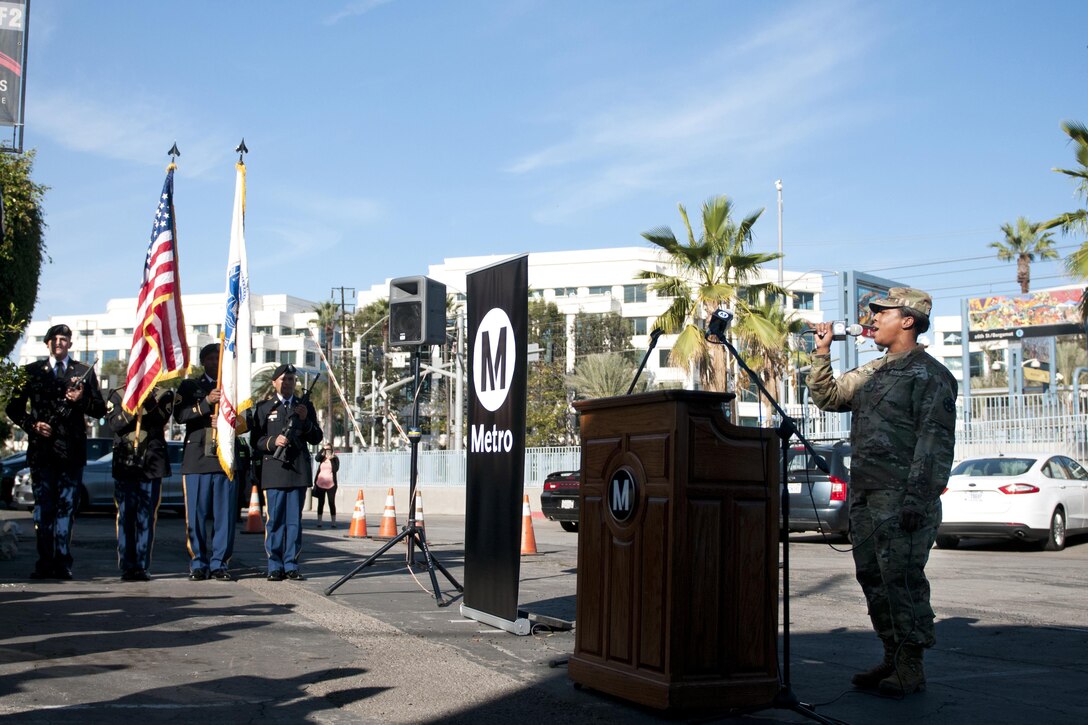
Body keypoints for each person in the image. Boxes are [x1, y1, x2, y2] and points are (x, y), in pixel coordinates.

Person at [806, 287, 957, 696]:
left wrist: (917, 499)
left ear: (907, 320)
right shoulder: (874, 371)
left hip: (902, 497)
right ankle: (891, 655)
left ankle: (911, 664)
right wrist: (821, 353)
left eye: (881, 314)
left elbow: (934, 443)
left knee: (902, 579)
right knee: (873, 577)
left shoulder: (930, 376)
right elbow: (829, 396)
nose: (872, 320)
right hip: (866, 494)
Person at [5, 324, 106, 580]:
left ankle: (63, 561)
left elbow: (99, 409)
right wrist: (32, 425)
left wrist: (80, 399)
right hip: (43, 451)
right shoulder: (32, 372)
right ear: (47, 343)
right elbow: (13, 409)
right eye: (55, 339)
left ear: (70, 344)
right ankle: (44, 561)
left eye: (64, 339)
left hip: (71, 452)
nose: (59, 343)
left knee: (66, 509)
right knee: (43, 509)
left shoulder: (83, 372)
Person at [251, 364, 322, 581]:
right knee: (275, 522)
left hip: (297, 470)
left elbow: (316, 437)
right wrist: (273, 442)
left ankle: (291, 565)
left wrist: (306, 422)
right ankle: (274, 565)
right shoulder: (264, 408)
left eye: (291, 379)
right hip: (274, 470)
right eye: (283, 379)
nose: (288, 383)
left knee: (294, 522)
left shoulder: (305, 406)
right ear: (274, 383)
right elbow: (256, 440)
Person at [174, 343, 237, 582]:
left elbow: (246, 421)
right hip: (197, 460)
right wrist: (205, 403)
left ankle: (220, 563)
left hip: (224, 459)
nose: (214, 362)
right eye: (210, 358)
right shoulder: (190, 386)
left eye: (218, 359)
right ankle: (198, 563)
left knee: (225, 517)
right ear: (203, 362)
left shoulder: (232, 387)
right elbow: (180, 415)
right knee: (197, 517)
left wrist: (227, 424)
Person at [105, 386, 175, 581]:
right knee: (126, 516)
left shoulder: (164, 393)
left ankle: (142, 566)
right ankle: (127, 565)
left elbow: (160, 420)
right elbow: (114, 424)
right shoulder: (117, 393)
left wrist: (148, 401)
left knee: (146, 518)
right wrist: (131, 407)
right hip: (125, 463)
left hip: (151, 465)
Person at [312, 445, 340, 529]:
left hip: (331, 484)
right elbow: (316, 458)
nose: (327, 450)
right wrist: (322, 450)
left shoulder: (335, 458)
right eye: (325, 449)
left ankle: (333, 522)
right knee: (321, 503)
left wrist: (331, 458)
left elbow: (335, 469)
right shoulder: (322, 458)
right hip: (320, 483)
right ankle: (319, 522)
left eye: (328, 449)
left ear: (331, 449)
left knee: (331, 502)